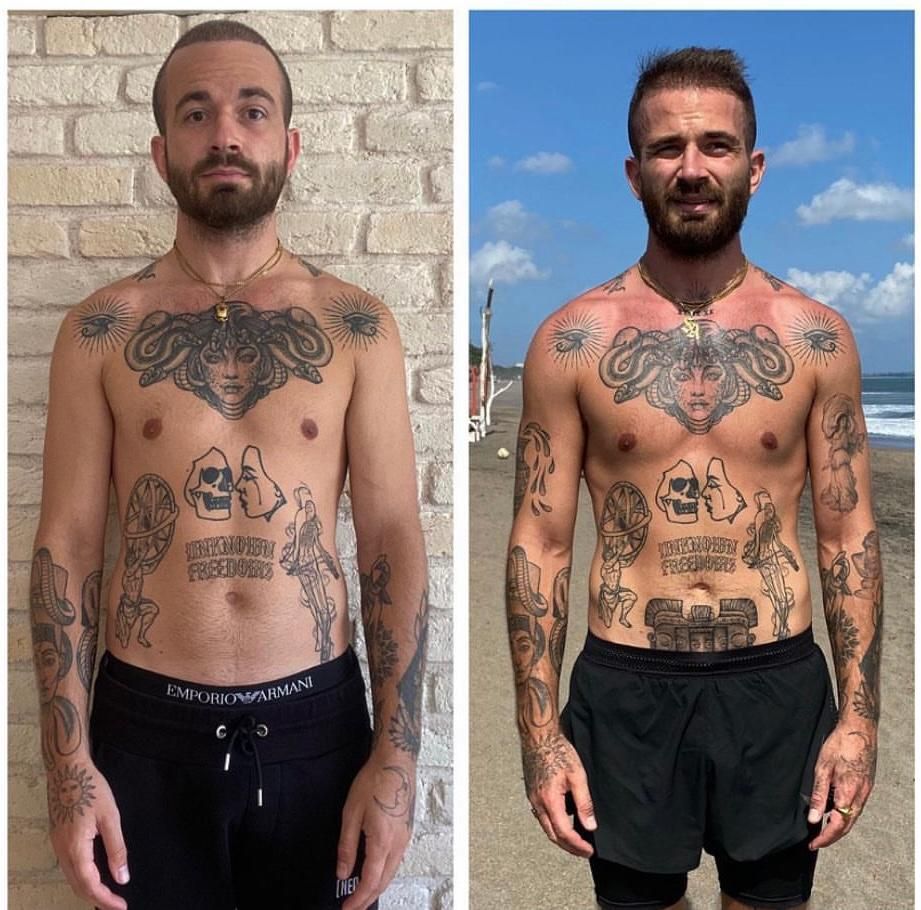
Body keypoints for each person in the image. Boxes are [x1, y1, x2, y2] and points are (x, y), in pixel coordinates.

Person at [30, 20, 428, 910]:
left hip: (315, 729)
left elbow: (391, 544)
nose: (224, 134)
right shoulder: (101, 330)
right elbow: (67, 546)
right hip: (143, 730)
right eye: (196, 113)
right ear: (161, 150)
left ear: (286, 143)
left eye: (251, 111)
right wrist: (67, 770)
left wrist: (395, 763)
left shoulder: (356, 326)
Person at [506, 47, 880, 910]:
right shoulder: (572, 341)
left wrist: (857, 721)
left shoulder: (815, 338)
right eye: (667, 149)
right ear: (633, 173)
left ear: (752, 166)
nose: (691, 168)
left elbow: (847, 533)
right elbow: (540, 542)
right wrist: (538, 738)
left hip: (777, 682)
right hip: (627, 686)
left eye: (714, 145)